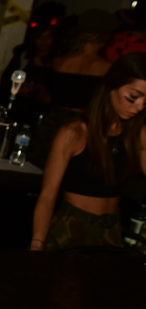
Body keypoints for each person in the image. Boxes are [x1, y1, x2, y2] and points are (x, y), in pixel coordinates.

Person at [31, 53, 146, 251]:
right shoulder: (75, 132)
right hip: (72, 228)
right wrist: (37, 243)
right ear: (111, 86)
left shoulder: (137, 134)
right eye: (132, 97)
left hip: (110, 230)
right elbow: (48, 195)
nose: (139, 106)